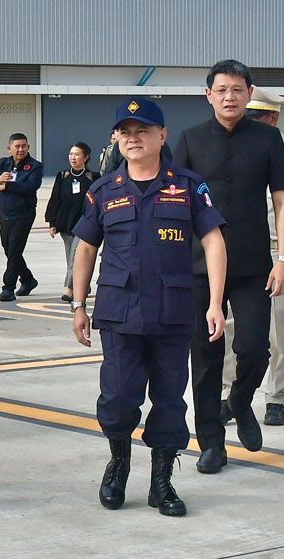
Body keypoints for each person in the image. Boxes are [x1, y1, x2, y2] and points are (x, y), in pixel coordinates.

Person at [72, 97, 226, 517]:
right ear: (116, 139)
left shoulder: (189, 186)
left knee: (171, 400)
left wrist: (215, 302)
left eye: (142, 130)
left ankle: (162, 481)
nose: (132, 137)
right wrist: (78, 304)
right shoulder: (104, 191)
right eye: (125, 131)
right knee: (119, 397)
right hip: (119, 313)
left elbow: (213, 241)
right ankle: (118, 462)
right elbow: (86, 248)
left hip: (173, 313)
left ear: (162, 135)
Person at [173, 59, 284, 473]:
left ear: (249, 93)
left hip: (253, 264)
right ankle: (210, 442)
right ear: (209, 95)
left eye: (237, 89)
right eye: (221, 89)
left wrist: (283, 257)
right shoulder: (189, 140)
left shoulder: (267, 139)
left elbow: (283, 199)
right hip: (199, 267)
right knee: (205, 358)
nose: (229, 96)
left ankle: (240, 401)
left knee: (256, 348)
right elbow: (176, 202)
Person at [221, 88, 284, 427]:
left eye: (257, 119)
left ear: (273, 119)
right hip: (237, 248)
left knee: (277, 327)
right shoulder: (234, 147)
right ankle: (229, 395)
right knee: (230, 325)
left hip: (278, 251)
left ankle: (275, 397)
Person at [0, 133, 43, 301]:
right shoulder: (3, 163)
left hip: (23, 214)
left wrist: (6, 185)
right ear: (9, 148)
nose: (20, 149)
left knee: (15, 250)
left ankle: (8, 288)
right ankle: (28, 279)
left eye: (24, 146)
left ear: (28, 147)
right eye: (17, 146)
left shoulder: (34, 166)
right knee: (8, 249)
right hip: (4, 213)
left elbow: (30, 187)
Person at [45, 142, 97, 301]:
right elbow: (55, 199)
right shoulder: (62, 176)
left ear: (86, 157)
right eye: (71, 154)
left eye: (77, 154)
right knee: (71, 257)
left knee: (75, 256)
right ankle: (83, 284)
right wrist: (52, 222)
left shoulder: (93, 177)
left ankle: (69, 289)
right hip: (65, 223)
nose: (73, 158)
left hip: (84, 223)